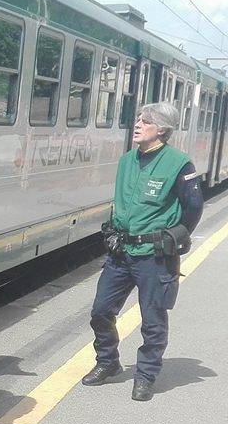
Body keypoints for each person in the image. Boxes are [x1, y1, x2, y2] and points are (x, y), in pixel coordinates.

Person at [82, 102, 203, 402]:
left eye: (145, 121)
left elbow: (194, 205)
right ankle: (108, 361)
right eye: (137, 119)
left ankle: (146, 374)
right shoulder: (126, 161)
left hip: (155, 256)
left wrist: (179, 234)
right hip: (121, 252)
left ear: (161, 129)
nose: (137, 124)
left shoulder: (179, 164)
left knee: (153, 319)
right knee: (100, 311)